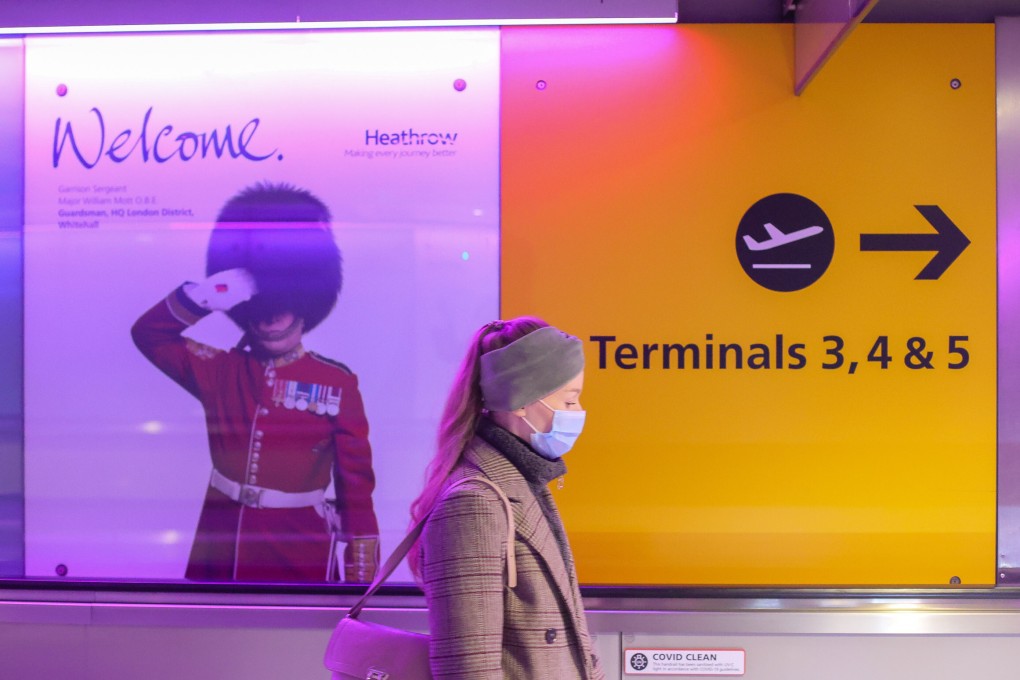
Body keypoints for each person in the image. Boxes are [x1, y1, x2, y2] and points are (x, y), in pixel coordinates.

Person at [131, 182, 379, 583]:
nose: (270, 317)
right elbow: (149, 334)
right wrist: (214, 292)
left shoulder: (336, 383)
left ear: (305, 304)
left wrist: (359, 576)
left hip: (297, 546)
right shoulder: (220, 370)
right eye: (260, 307)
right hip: (219, 540)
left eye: (282, 304)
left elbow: (356, 490)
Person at [408, 317, 605, 679]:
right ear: (521, 402)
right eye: (569, 400)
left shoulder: (521, 480)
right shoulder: (473, 503)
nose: (578, 414)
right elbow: (469, 669)